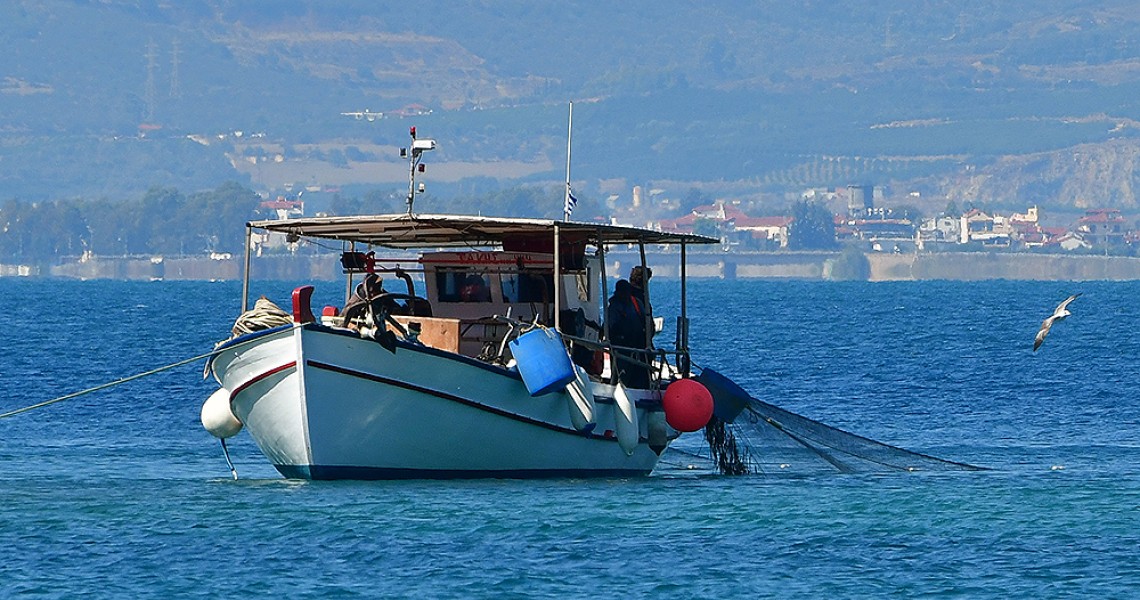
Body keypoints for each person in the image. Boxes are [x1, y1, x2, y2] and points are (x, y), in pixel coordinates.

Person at [607, 279, 650, 388]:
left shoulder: (636, 303)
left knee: (641, 377)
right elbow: (611, 327)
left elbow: (648, 323)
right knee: (622, 377)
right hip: (621, 349)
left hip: (639, 347)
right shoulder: (614, 306)